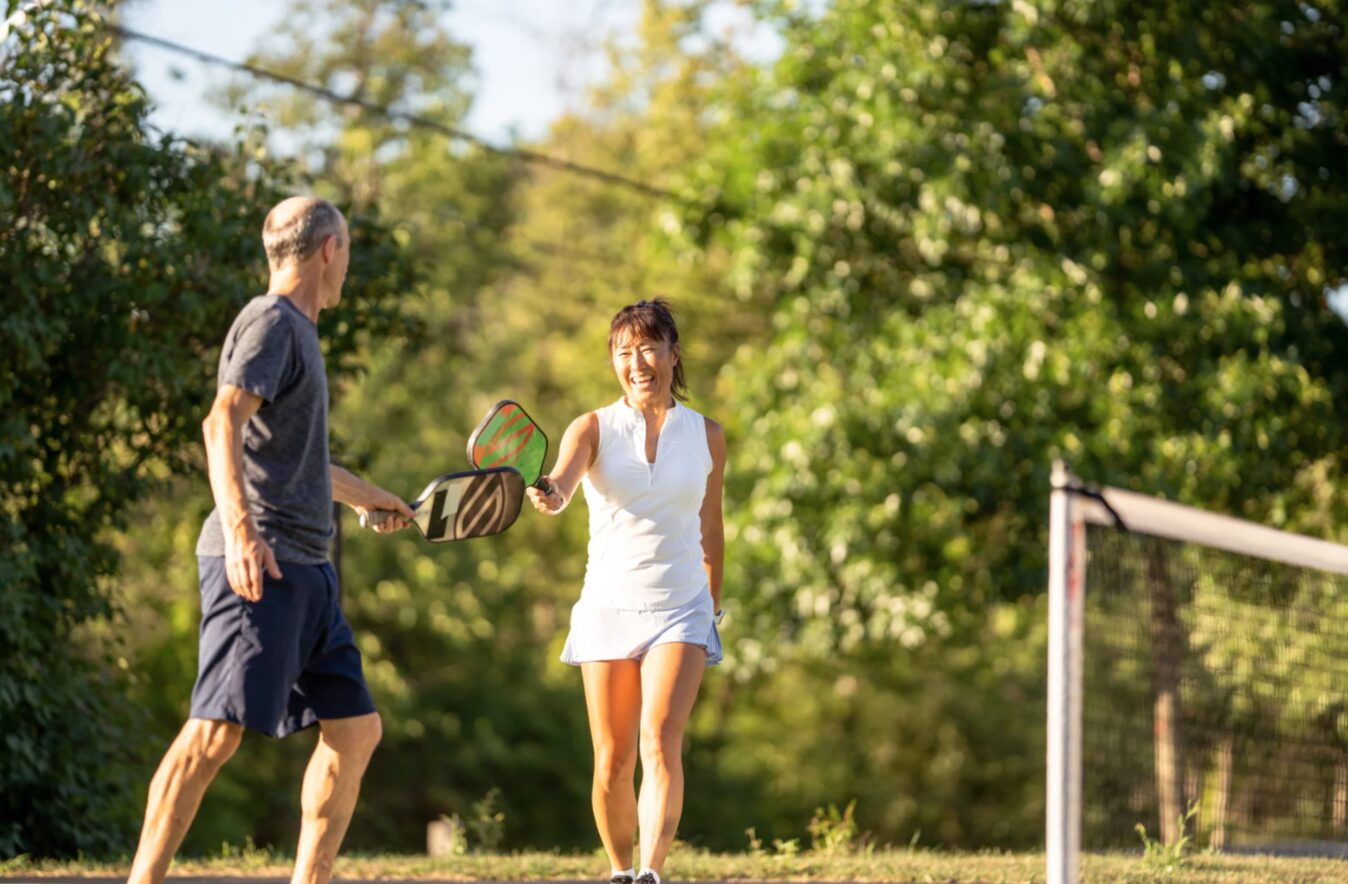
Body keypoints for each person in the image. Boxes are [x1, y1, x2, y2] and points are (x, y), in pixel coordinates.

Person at [127, 197, 416, 884]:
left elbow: (296, 460)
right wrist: (240, 534)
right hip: (264, 562)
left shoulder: (300, 334)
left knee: (355, 730)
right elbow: (220, 423)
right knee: (214, 732)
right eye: (347, 251)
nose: (347, 265)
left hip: (309, 569)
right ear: (328, 249)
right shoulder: (273, 322)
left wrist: (368, 495)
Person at [526, 298, 726, 884]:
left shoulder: (708, 435)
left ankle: (651, 874)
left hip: (682, 609)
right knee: (612, 759)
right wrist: (551, 493)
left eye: (647, 349)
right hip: (608, 607)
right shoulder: (592, 427)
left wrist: (711, 607)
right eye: (623, 352)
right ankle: (620, 871)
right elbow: (563, 481)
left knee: (660, 740)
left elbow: (712, 529)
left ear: (672, 353)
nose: (636, 363)